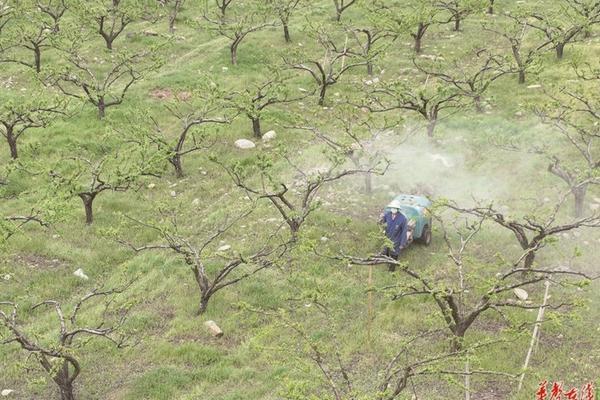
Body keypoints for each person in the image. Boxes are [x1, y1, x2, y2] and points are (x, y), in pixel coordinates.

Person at [379, 200, 408, 271]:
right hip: (388, 238)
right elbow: (383, 221)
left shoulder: (403, 218)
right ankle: (387, 263)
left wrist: (402, 244)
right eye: (392, 208)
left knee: (394, 255)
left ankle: (392, 270)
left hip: (396, 240)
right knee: (386, 252)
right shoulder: (388, 214)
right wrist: (381, 218)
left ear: (398, 209)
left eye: (395, 208)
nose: (393, 209)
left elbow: (404, 232)